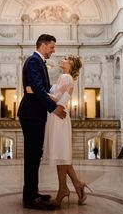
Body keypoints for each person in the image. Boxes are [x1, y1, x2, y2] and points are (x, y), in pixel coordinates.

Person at [17, 34, 66, 210]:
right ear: (43, 45)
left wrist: (55, 97)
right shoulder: (33, 61)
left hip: (35, 112)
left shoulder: (38, 62)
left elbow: (40, 89)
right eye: (52, 47)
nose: (53, 50)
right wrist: (54, 108)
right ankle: (30, 198)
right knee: (32, 155)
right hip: (31, 114)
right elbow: (37, 88)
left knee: (34, 154)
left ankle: (32, 192)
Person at [42, 55, 93, 206]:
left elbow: (56, 98)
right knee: (62, 155)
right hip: (57, 116)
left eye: (65, 58)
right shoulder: (65, 77)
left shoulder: (66, 77)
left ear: (70, 64)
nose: (62, 60)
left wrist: (37, 92)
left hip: (58, 116)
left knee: (60, 155)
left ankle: (63, 189)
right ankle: (77, 184)